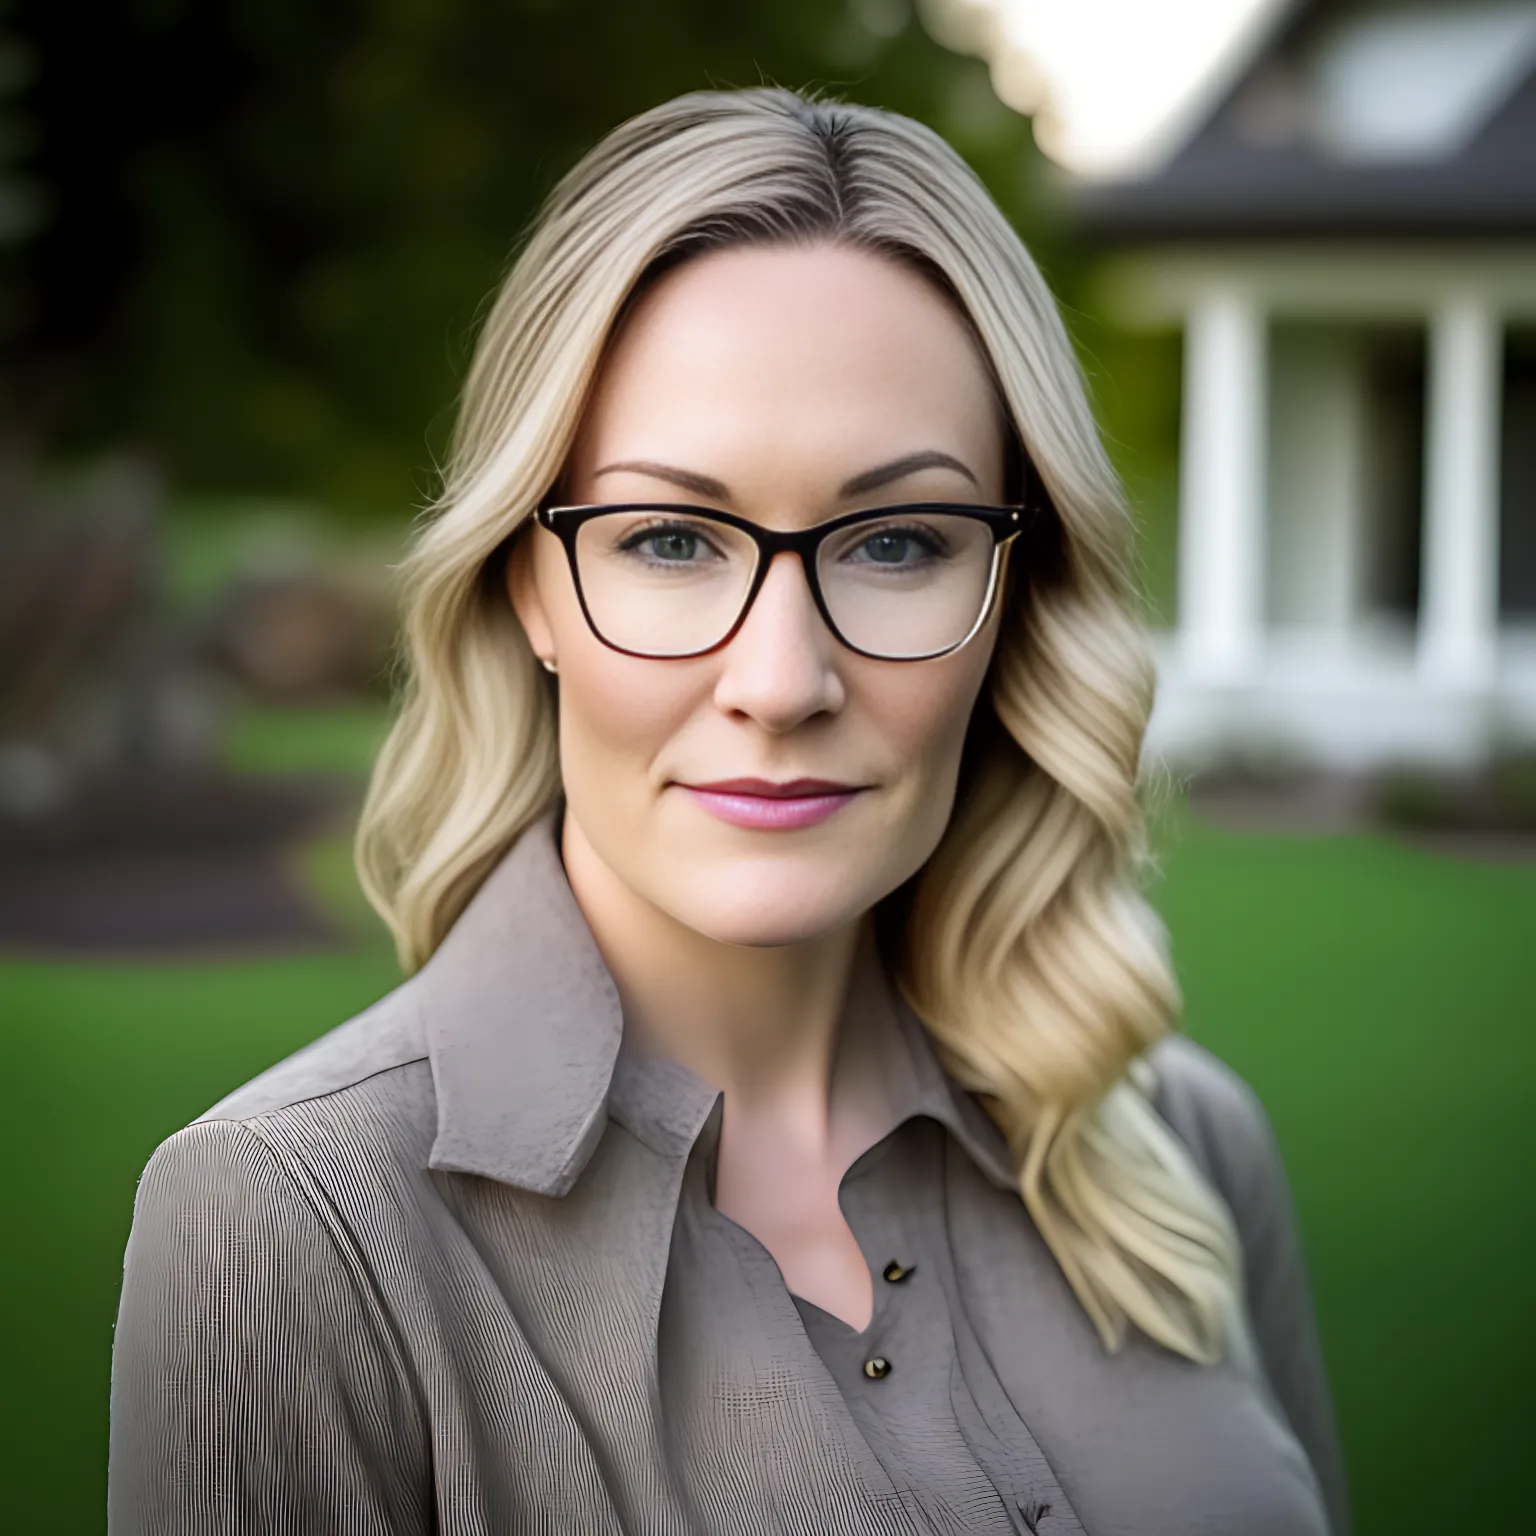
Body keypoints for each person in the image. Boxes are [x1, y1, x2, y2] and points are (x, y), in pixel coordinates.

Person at [108, 88, 1350, 1535]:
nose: (781, 679)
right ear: (534, 591)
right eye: (671, 539)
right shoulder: (293, 1227)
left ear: (1015, 598)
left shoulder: (1180, 1148)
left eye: (897, 541)